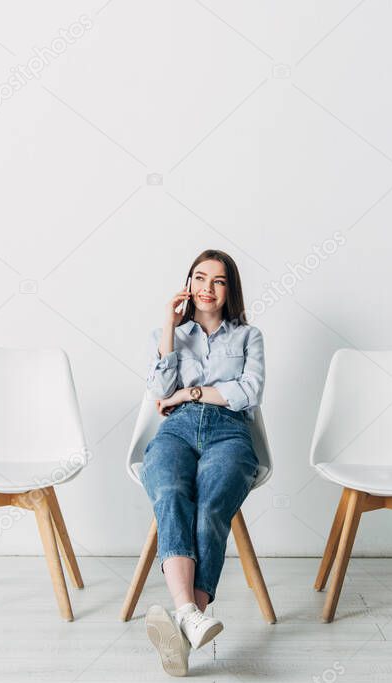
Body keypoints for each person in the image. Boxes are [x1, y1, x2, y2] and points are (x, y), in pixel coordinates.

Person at [140, 249, 265, 677]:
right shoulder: (170, 333)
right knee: (172, 491)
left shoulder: (249, 336)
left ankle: (183, 618)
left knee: (211, 503)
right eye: (199, 277)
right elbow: (159, 391)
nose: (206, 288)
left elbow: (248, 393)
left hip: (229, 432)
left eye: (218, 280)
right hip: (177, 430)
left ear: (230, 290)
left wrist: (189, 393)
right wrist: (170, 329)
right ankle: (190, 616)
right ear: (188, 284)